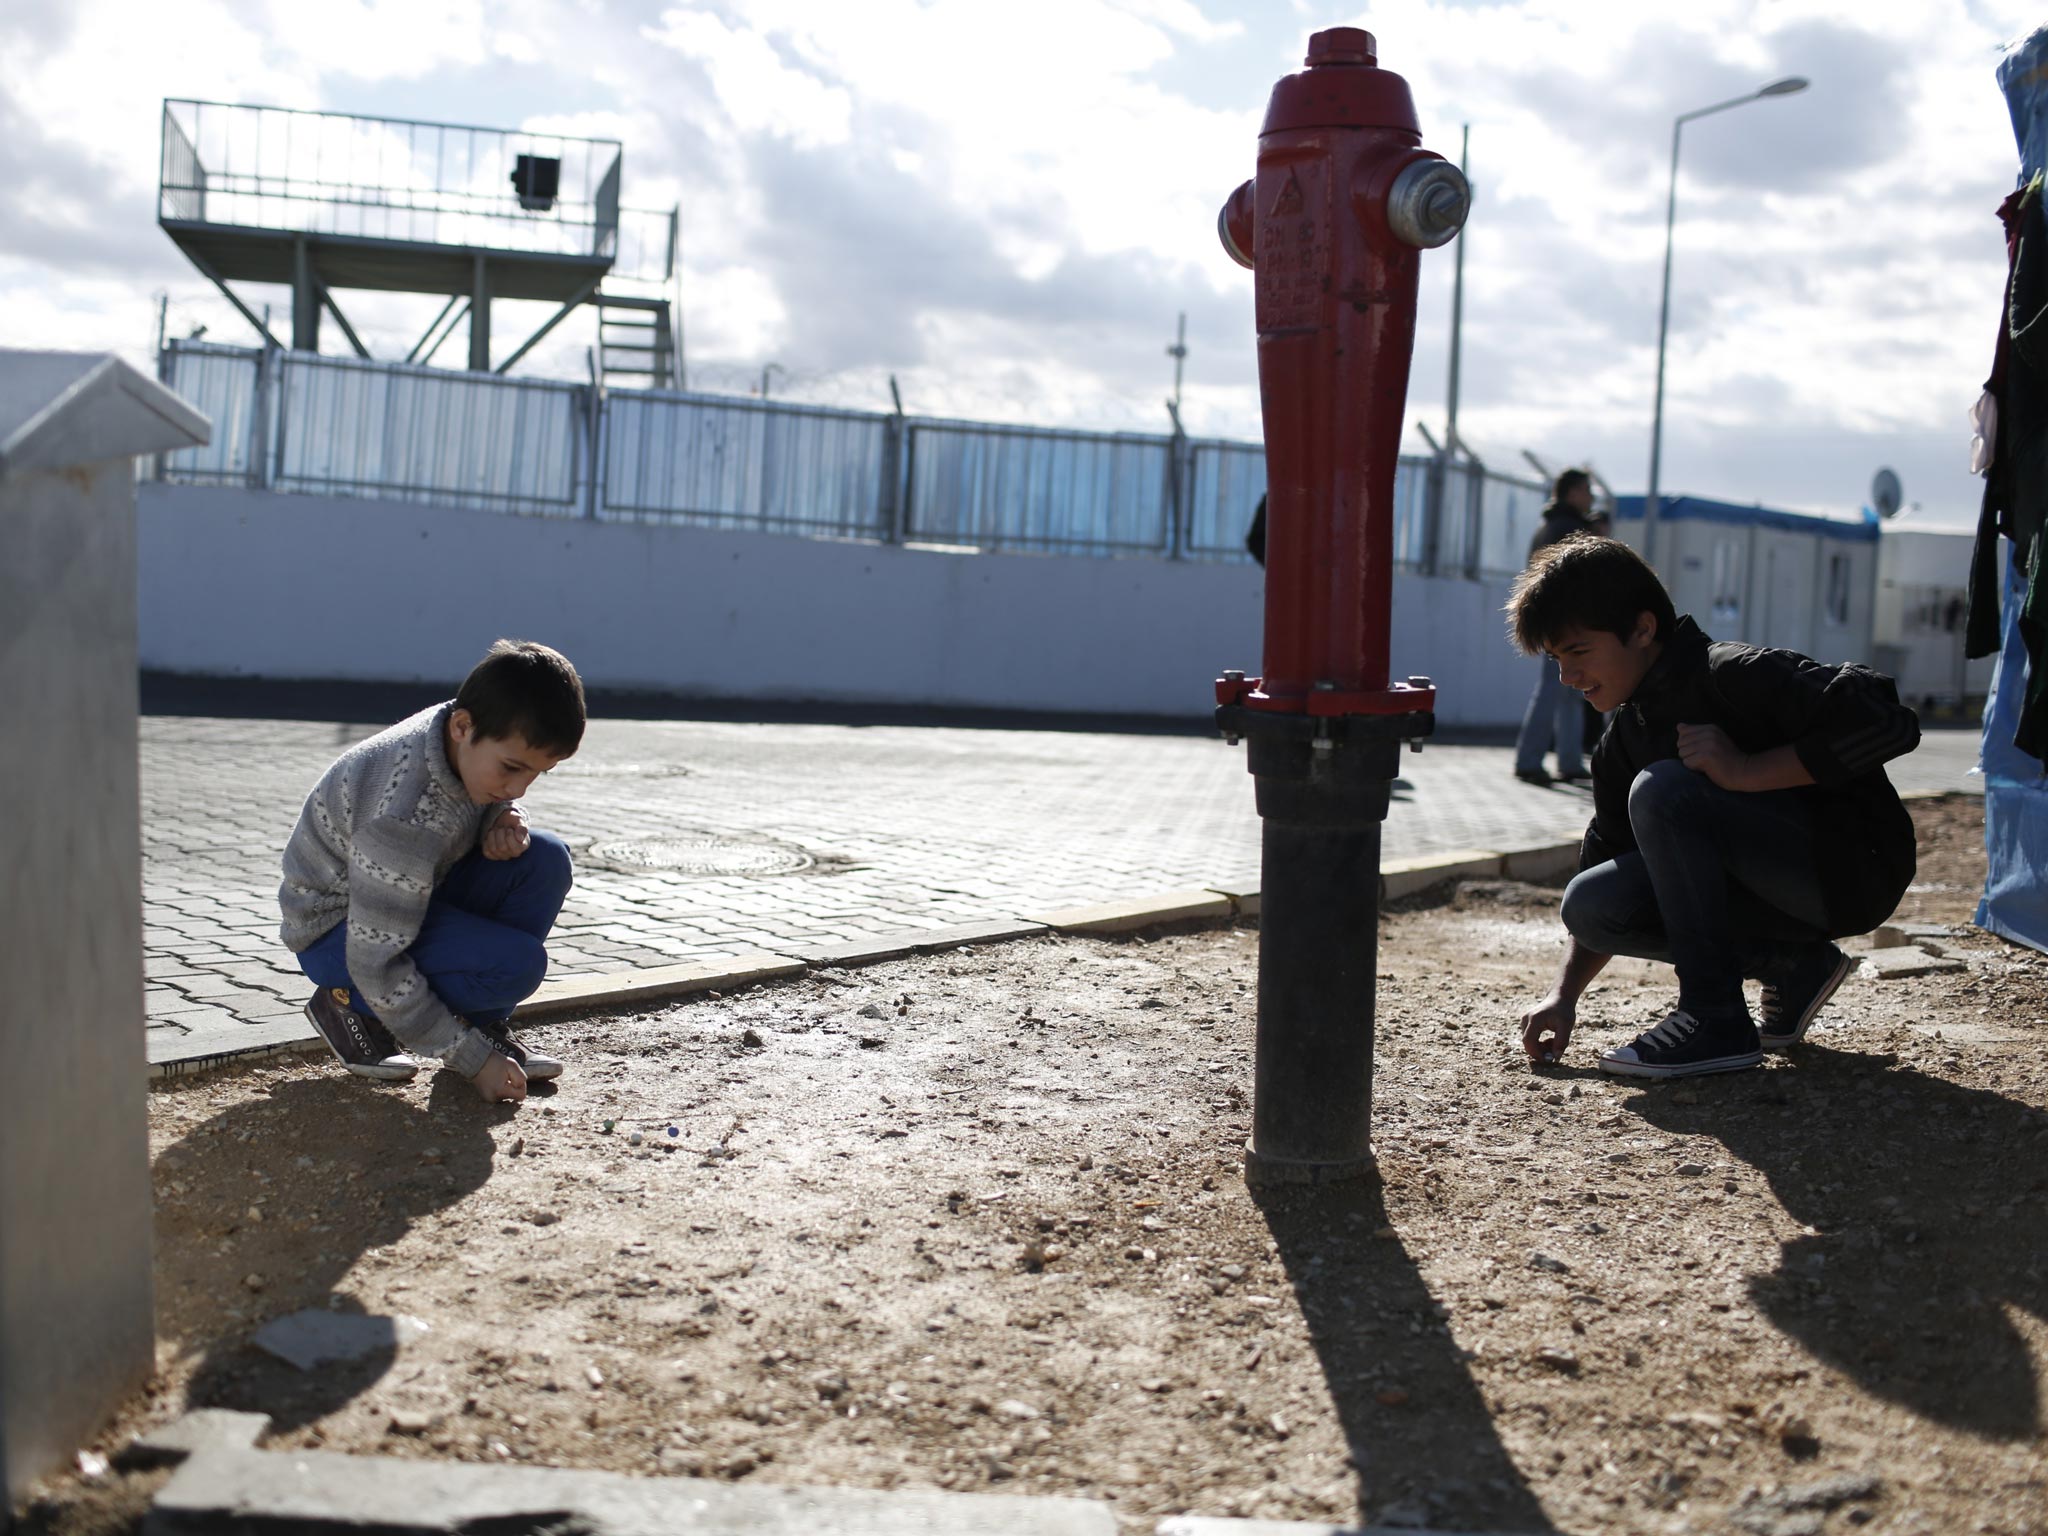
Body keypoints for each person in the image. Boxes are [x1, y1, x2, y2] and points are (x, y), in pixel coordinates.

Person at [1510, 536, 1920, 1079]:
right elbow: (1602, 859)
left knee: (1664, 790)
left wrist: (1749, 770)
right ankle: (1795, 966)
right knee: (1590, 904)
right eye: (1558, 660)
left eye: (1579, 652)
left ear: (1643, 628)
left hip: (1852, 870)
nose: (1568, 678)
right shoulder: (1621, 745)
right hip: (1778, 900)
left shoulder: (1733, 674)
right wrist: (1563, 997)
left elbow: (1889, 722)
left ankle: (1715, 1018)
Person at [278, 639, 585, 1102]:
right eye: (511, 769)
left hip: (411, 892)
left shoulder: (460, 723)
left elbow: (485, 792)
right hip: (337, 933)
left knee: (544, 858)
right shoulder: (403, 817)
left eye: (537, 774)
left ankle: (480, 1020)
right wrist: (470, 1060)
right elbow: (375, 959)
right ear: (464, 726)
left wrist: (504, 813)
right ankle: (345, 1007)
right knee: (514, 966)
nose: (520, 786)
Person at [1512, 469, 1599, 784]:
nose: (1591, 497)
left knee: (1567, 691)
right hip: (1567, 623)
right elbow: (1580, 580)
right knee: (1555, 690)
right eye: (1587, 490)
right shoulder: (1570, 528)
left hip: (1552, 621)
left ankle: (1567, 759)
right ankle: (1531, 760)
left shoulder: (1546, 527)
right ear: (1572, 492)